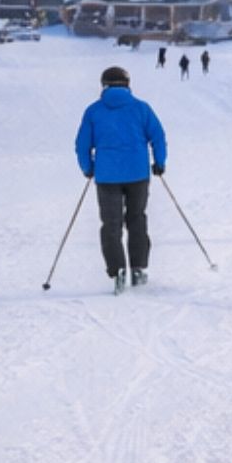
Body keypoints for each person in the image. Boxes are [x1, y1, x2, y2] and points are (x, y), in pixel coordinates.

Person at [75, 65, 168, 293]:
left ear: (104, 85)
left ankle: (117, 270)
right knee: (136, 218)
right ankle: (138, 268)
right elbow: (158, 136)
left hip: (107, 177)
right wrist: (160, 163)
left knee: (111, 224)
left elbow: (82, 144)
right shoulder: (141, 108)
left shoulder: (93, 111)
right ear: (127, 84)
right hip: (138, 174)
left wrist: (88, 168)